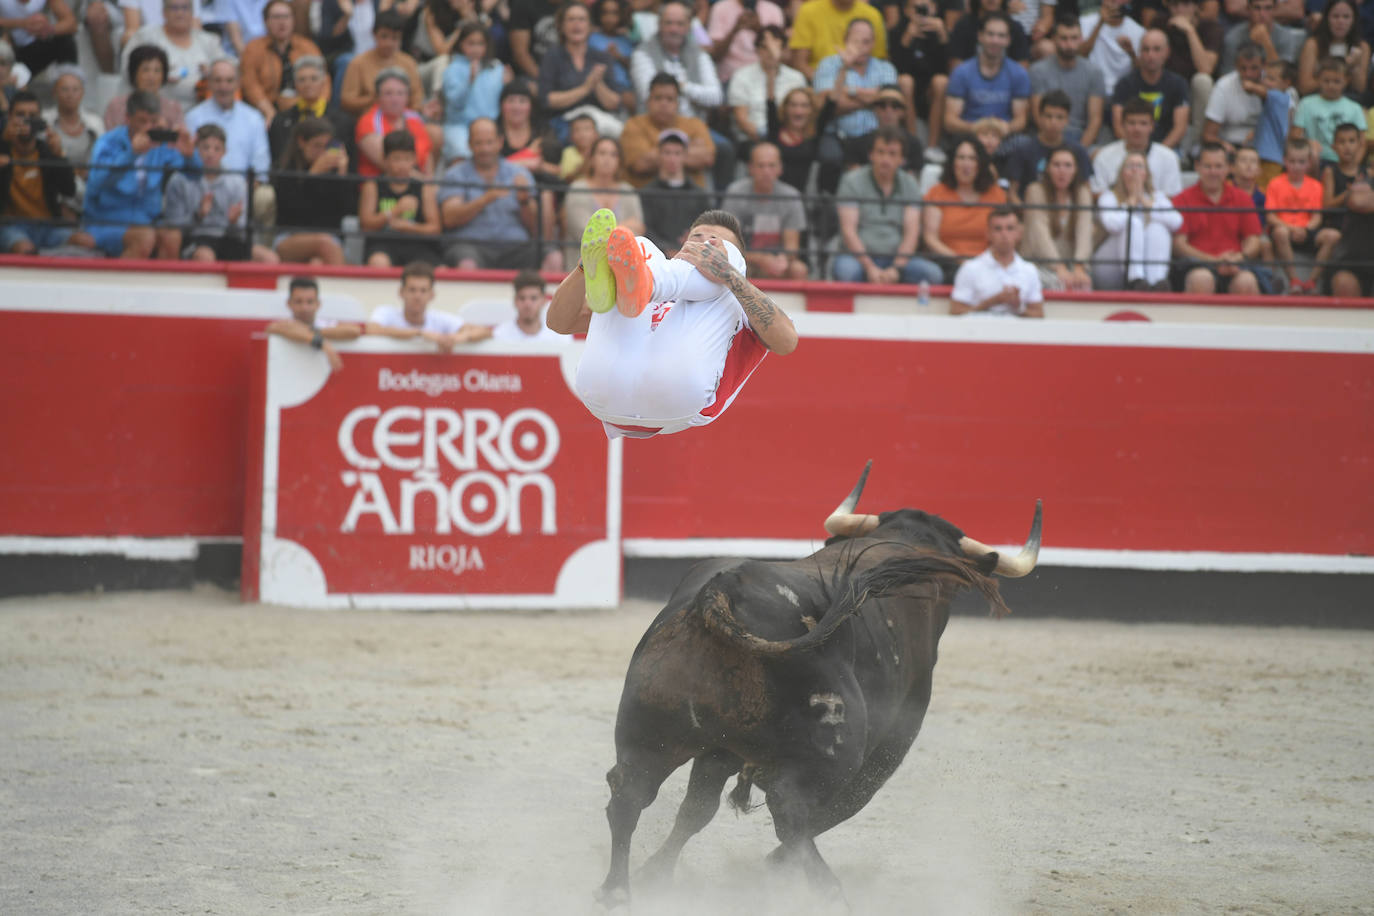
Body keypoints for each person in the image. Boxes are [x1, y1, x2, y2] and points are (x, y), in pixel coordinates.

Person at [549, 206, 798, 439]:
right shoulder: (635, 280)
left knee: (715, 274)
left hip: (679, 393)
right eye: (697, 238)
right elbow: (559, 322)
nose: (704, 245)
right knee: (640, 244)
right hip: (602, 384)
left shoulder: (738, 303)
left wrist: (730, 274)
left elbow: (787, 342)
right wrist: (584, 268)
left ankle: (656, 282)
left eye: (715, 243)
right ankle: (642, 280)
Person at [630, 0, 733, 189]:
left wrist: (683, 87)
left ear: (688, 26)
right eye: (669, 23)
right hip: (653, 125)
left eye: (679, 24)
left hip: (694, 127)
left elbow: (716, 96)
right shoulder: (642, 53)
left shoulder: (700, 54)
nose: (674, 29)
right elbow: (651, 95)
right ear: (659, 25)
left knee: (725, 149)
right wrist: (685, 92)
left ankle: (719, 211)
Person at [84, 90, 191, 259]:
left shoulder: (160, 143)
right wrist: (131, 154)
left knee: (172, 236)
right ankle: (122, 285)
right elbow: (97, 182)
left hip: (148, 219)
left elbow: (195, 175)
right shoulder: (108, 142)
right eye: (142, 121)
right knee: (144, 237)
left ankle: (161, 286)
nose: (149, 127)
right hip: (106, 220)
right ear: (128, 118)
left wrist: (190, 156)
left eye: (153, 121)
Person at [832, 125, 942, 284]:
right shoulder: (851, 181)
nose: (885, 159)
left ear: (902, 159)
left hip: (898, 259)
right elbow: (849, 232)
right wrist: (870, 267)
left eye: (892, 154)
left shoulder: (910, 183)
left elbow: (911, 233)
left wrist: (896, 268)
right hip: (856, 258)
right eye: (880, 152)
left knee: (933, 274)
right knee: (846, 273)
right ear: (871, 155)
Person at [163, 124, 278, 263]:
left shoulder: (236, 182)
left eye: (217, 148)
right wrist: (198, 216)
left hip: (228, 238)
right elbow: (172, 227)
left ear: (225, 151)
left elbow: (242, 230)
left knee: (270, 258)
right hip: (195, 240)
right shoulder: (179, 180)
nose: (210, 153)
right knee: (205, 257)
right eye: (205, 147)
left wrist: (233, 222)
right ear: (195, 148)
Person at [0, 89, 94, 254]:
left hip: (48, 226)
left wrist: (60, 155)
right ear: (10, 117)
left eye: (32, 115)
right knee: (25, 249)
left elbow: (69, 190)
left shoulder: (47, 151)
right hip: (11, 226)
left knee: (86, 242)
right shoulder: (3, 150)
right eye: (20, 114)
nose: (26, 121)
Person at [436, 117, 538, 268]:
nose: (485, 149)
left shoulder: (519, 173)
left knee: (548, 256)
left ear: (500, 142)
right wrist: (485, 199)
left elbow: (535, 227)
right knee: (466, 263)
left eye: (489, 142)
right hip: (470, 246)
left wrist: (524, 202)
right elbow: (449, 219)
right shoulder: (455, 174)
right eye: (478, 143)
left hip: (515, 247)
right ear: (469, 144)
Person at [1170, 142, 1270, 294]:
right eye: (1207, 166)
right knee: (1201, 279)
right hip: (1195, 266)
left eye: (1218, 166)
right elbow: (1178, 245)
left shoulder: (1242, 199)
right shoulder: (1181, 199)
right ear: (1197, 167)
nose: (1213, 172)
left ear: (1228, 168)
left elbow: (1253, 240)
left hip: (1235, 266)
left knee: (1246, 281)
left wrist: (1239, 257)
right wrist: (1213, 261)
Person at [814, 18, 897, 191]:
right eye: (856, 41)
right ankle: (825, 208)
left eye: (866, 42)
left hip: (875, 135)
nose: (861, 47)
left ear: (873, 43)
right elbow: (827, 105)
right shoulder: (828, 64)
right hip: (836, 133)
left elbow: (889, 100)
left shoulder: (886, 68)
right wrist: (871, 97)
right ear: (845, 40)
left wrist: (848, 92)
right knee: (830, 158)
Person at [921, 135, 1009, 280]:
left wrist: (982, 262)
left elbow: (1004, 235)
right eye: (961, 158)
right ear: (952, 162)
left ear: (980, 164)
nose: (966, 164)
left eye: (972, 158)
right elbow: (930, 238)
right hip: (948, 263)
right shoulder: (937, 192)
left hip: (989, 262)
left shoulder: (996, 194)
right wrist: (961, 260)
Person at [540, 1, 631, 140]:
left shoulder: (602, 57)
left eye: (581, 19)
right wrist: (585, 88)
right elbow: (547, 100)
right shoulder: (552, 56)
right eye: (571, 19)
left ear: (590, 26)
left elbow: (614, 102)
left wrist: (598, 83)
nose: (576, 25)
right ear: (562, 26)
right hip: (564, 122)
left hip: (599, 122)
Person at [1094, 150, 1182, 290]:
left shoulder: (1157, 196)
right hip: (1110, 265)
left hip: (1146, 265)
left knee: (1157, 228)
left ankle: (1157, 282)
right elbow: (1112, 225)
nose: (1135, 170)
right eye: (1130, 166)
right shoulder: (1109, 196)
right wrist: (1131, 202)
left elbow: (1176, 222)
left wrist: (1147, 204)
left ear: (1146, 174)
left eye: (1140, 166)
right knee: (1133, 223)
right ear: (1122, 173)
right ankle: (1135, 279)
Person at [721, 141, 809, 280]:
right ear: (750, 168)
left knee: (799, 269)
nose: (766, 171)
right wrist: (760, 259)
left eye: (771, 165)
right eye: (761, 166)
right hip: (745, 261)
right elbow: (729, 244)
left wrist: (783, 259)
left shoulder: (791, 196)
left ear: (780, 168)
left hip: (777, 261)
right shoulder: (736, 192)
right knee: (730, 267)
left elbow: (792, 247)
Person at [272, 115, 352, 265]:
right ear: (302, 142)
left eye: (326, 146)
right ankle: (343, 288)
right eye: (317, 145)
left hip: (329, 238)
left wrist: (342, 175)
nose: (322, 152)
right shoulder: (285, 169)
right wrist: (312, 175)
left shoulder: (333, 171)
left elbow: (344, 211)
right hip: (289, 237)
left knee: (317, 262)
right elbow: (292, 211)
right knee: (325, 243)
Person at [358, 129, 442, 266]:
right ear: (385, 159)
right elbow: (365, 226)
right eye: (396, 159)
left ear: (414, 159)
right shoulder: (373, 185)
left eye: (407, 159)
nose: (402, 165)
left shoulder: (423, 188)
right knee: (378, 263)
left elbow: (434, 228)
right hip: (382, 244)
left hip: (418, 245)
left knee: (439, 269)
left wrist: (408, 228)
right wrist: (395, 211)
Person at [944, 12, 1031, 144]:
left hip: (1004, 138)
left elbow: (1021, 120)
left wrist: (1005, 128)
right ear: (980, 36)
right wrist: (975, 128)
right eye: (990, 34)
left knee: (1023, 143)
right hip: (970, 138)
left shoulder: (1019, 74)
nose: (995, 40)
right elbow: (950, 121)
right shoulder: (961, 73)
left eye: (1001, 35)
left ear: (1008, 40)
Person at [119, 0, 222, 111]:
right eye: (174, 8)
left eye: (185, 8)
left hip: (202, 109)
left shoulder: (208, 41)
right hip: (154, 109)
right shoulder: (145, 37)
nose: (180, 13)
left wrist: (212, 73)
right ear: (164, 12)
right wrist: (158, 75)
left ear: (192, 13)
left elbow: (227, 70)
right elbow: (128, 69)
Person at [366, 260, 494, 348]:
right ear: (401, 292)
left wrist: (456, 339)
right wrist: (420, 333)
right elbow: (371, 330)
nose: (417, 296)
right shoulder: (386, 312)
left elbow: (484, 331)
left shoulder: (439, 318)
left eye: (423, 291)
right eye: (412, 290)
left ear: (432, 295)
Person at [620, 74, 716, 189]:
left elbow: (707, 158)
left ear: (678, 104)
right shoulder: (634, 125)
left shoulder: (695, 124)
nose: (663, 104)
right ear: (648, 102)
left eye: (670, 99)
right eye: (658, 98)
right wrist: (686, 150)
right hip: (646, 200)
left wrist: (654, 152)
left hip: (691, 200)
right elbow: (640, 164)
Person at [1265, 136, 1335, 292]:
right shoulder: (1274, 183)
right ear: (1284, 161)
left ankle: (1312, 281)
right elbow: (1271, 217)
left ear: (1309, 163)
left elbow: (1317, 217)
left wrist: (1305, 230)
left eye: (1301, 162)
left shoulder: (1316, 186)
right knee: (1280, 232)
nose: (1297, 166)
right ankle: (1294, 280)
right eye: (1292, 161)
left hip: (1307, 231)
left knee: (1333, 236)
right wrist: (1292, 229)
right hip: (1284, 231)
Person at [185, 59, 273, 181]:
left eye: (229, 81)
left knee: (265, 196)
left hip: (245, 190)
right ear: (209, 83)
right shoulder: (193, 117)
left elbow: (261, 163)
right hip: (202, 187)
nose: (223, 87)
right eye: (218, 80)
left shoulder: (254, 118)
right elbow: (190, 161)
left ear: (238, 83)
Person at [1021, 145, 1094, 291]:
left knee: (1083, 284)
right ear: (1047, 168)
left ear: (1075, 170)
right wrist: (1058, 267)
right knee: (1058, 284)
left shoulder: (1082, 193)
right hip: (1038, 263)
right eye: (1056, 165)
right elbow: (1039, 232)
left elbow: (1085, 231)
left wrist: (1079, 266)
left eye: (1068, 165)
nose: (1062, 171)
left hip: (1072, 264)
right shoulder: (1035, 190)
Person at [949, 207, 1045, 317]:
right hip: (979, 332)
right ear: (988, 234)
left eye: (1010, 228)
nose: (1004, 234)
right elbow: (955, 311)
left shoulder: (1029, 270)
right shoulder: (971, 268)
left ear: (1019, 233)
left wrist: (1018, 307)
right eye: (998, 229)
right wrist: (991, 302)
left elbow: (1039, 314)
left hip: (1017, 333)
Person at [562, 134, 646, 260]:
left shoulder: (628, 191)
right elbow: (585, 235)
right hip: (584, 268)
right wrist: (625, 227)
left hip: (622, 266)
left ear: (619, 161)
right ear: (591, 158)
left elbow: (639, 231)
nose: (607, 159)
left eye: (613, 155)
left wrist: (604, 231)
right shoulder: (577, 189)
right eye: (602, 153)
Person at [240, 0, 323, 123]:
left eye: (286, 16)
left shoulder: (307, 47)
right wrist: (268, 111)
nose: (282, 22)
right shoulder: (253, 49)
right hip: (268, 109)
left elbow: (323, 80)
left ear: (293, 20)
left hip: (304, 107)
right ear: (266, 21)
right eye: (276, 17)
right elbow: (250, 85)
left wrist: (317, 108)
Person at [1000, 90, 1090, 202]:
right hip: (1030, 210)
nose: (1053, 122)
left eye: (1059, 117)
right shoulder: (1023, 150)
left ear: (1067, 120)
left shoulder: (1078, 151)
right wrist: (1029, 213)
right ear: (1040, 117)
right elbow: (1012, 193)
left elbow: (1086, 190)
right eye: (1048, 116)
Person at [1029, 17, 1105, 149]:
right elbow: (1038, 116)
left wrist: (1078, 152)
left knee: (1099, 154)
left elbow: (1095, 120)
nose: (1069, 44)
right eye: (1064, 38)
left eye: (1074, 38)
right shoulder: (1038, 71)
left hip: (1081, 138)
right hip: (1046, 137)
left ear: (1081, 39)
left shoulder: (1094, 72)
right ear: (1054, 39)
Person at [1160, 0, 1223, 156]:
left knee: (1202, 80)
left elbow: (1206, 68)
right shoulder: (1161, 24)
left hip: (1196, 99)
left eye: (1186, 4)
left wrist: (1190, 31)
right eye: (1175, 5)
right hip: (1169, 93)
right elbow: (1151, 63)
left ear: (1196, 6)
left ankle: (1198, 145)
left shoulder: (1211, 28)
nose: (1180, 10)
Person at [728, 25, 808, 148]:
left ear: (783, 49)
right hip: (755, 137)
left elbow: (803, 114)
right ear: (757, 49)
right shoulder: (741, 76)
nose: (770, 52)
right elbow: (741, 119)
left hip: (790, 136)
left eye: (776, 47)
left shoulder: (796, 78)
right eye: (765, 47)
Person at [887, 0, 951, 153]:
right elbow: (894, 70)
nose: (921, 13)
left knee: (941, 82)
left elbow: (948, 69)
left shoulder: (940, 31)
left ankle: (932, 147)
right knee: (906, 81)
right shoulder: (898, 31)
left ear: (935, 8)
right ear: (907, 10)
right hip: (906, 93)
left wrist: (943, 36)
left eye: (925, 7)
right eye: (916, 8)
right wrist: (907, 38)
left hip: (931, 93)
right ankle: (912, 145)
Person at [1110, 28, 1190, 150]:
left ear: (1167, 52)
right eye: (1146, 49)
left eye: (1157, 49)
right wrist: (1136, 151)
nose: (1150, 55)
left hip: (1167, 149)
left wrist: (1158, 153)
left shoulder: (1178, 83)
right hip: (1129, 150)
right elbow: (1118, 126)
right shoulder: (1124, 84)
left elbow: (1180, 128)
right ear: (1140, 53)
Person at [267, 55, 354, 167]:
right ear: (295, 84)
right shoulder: (280, 121)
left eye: (314, 79)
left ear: (323, 82)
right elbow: (278, 160)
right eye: (302, 79)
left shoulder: (342, 121)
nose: (308, 84)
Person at [439, 21, 504, 163]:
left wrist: (507, 84)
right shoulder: (452, 69)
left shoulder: (496, 67)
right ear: (461, 44)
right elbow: (455, 103)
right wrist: (469, 81)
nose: (476, 48)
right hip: (460, 127)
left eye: (480, 43)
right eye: (471, 43)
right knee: (465, 155)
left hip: (489, 128)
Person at [265, 276, 362, 372]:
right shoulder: (283, 325)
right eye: (298, 302)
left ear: (318, 304)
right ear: (289, 303)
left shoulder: (324, 324)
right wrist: (322, 343)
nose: (304, 307)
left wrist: (315, 332)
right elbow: (273, 328)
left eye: (310, 302)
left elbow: (355, 330)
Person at [340, 9, 425, 116]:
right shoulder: (358, 63)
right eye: (384, 36)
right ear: (374, 34)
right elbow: (346, 101)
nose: (389, 43)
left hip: (403, 119)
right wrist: (375, 99)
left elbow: (417, 97)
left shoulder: (409, 63)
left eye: (395, 38)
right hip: (370, 119)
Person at [1094, 97, 1185, 196]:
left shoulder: (1169, 157)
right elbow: (1098, 194)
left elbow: (1173, 197)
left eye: (1143, 123)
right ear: (1123, 125)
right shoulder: (1104, 156)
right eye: (1131, 123)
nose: (1137, 129)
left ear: (1152, 126)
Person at [1322, 122, 1373, 297]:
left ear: (1360, 145)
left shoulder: (1365, 174)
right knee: (1344, 282)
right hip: (1347, 245)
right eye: (1342, 142)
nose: (1347, 147)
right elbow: (1352, 202)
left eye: (1352, 141)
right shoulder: (1333, 172)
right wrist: (1351, 193)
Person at [640, 129, 710, 256]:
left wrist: (693, 240)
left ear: (685, 156)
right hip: (656, 259)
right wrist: (666, 250)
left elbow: (708, 227)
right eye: (667, 153)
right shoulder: (646, 193)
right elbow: (645, 228)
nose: (672, 158)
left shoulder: (700, 195)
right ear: (659, 155)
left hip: (693, 257)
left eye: (677, 153)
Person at [357, 67, 435, 176]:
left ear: (407, 97)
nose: (395, 99)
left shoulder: (413, 116)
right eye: (388, 93)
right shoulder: (368, 123)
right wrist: (426, 185)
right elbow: (394, 168)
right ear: (378, 97)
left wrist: (429, 183)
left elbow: (427, 153)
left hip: (417, 183)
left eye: (400, 93)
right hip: (381, 185)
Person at [788, 0, 888, 81]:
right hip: (819, 83)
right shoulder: (808, 11)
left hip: (865, 84)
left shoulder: (873, 15)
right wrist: (825, 83)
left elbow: (879, 60)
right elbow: (799, 63)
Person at [1294, 57, 1366, 165]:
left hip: (1344, 163)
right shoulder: (1306, 104)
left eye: (1336, 81)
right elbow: (1295, 135)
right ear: (1318, 80)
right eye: (1326, 81)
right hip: (1314, 161)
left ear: (1346, 80)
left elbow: (1362, 143)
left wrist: (1353, 167)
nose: (1331, 85)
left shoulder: (1355, 108)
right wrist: (1308, 143)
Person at [1203, 42, 1267, 156]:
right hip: (1232, 145)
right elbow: (1208, 135)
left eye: (1254, 68)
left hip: (1266, 144)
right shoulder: (1224, 86)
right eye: (1243, 68)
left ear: (1264, 66)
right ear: (1236, 66)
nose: (1248, 74)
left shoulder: (1274, 85)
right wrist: (1224, 145)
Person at [103, 43, 184, 131]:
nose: (151, 77)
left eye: (157, 71)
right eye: (145, 70)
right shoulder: (117, 106)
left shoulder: (173, 108)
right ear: (134, 74)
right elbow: (110, 140)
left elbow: (180, 141)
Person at [1298, 0, 1368, 99]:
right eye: (1335, 16)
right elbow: (1304, 87)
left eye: (1346, 17)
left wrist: (1354, 68)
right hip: (1316, 99)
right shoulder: (1313, 44)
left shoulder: (1362, 46)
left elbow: (1360, 88)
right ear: (1326, 18)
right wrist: (1343, 67)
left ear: (1354, 20)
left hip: (1349, 100)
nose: (1340, 21)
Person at [708, 0, 787, 85]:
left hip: (766, 74)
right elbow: (715, 55)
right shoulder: (720, 8)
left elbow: (781, 53)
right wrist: (735, 29)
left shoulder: (774, 10)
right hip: (730, 77)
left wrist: (759, 29)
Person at [1220, 0, 1306, 76]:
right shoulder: (1234, 37)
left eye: (1268, 8)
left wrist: (1266, 43)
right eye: (1257, 8)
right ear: (1248, 9)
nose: (1262, 14)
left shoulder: (1285, 36)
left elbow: (1284, 78)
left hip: (1272, 89)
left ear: (1275, 9)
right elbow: (1226, 75)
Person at [1078, 0, 1145, 96]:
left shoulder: (1139, 31)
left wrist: (1131, 53)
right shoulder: (1084, 22)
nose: (1114, 3)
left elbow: (1142, 72)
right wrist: (1100, 23)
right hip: (1092, 89)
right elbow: (1081, 56)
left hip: (1124, 91)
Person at [0, 0, 77, 83]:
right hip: (6, 45)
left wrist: (48, 29)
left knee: (65, 40)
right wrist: (22, 24)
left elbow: (71, 23)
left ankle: (69, 86)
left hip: (31, 49)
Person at [42, 66, 103, 170]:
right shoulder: (44, 119)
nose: (70, 95)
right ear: (54, 92)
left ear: (83, 92)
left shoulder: (95, 122)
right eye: (64, 89)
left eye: (75, 89)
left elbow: (101, 158)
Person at [767, 85, 821, 193]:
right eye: (793, 105)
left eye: (804, 105)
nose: (798, 111)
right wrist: (771, 76)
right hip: (774, 193)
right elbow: (770, 103)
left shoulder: (815, 134)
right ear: (785, 108)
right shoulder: (775, 131)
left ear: (812, 109)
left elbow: (831, 103)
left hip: (803, 195)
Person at [1252, 58, 1297, 185]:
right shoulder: (1278, 100)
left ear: (1286, 83)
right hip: (1264, 155)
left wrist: (1249, 85)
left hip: (1271, 158)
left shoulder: (1280, 97)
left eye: (1271, 79)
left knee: (1267, 194)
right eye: (1265, 77)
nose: (1265, 81)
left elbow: (1260, 91)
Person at [947, 0, 1030, 69]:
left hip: (1006, 85)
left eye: (1001, 35)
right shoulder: (963, 26)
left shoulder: (1015, 28)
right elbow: (956, 66)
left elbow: (1022, 66)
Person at [493, 269, 569, 342]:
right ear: (515, 301)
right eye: (522, 298)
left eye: (533, 298)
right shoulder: (500, 335)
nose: (527, 304)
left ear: (544, 301)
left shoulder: (559, 337)